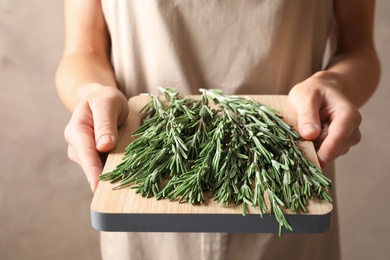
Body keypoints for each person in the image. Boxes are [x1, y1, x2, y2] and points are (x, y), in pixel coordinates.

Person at [55, 0, 380, 259]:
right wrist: (91, 94)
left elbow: (358, 48)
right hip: (147, 195)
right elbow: (84, 51)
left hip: (283, 196)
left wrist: (334, 84)